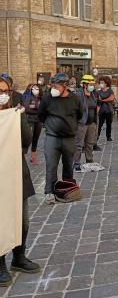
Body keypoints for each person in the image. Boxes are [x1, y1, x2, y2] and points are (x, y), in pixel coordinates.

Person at [0, 77, 40, 287]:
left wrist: (20, 119)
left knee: (22, 220)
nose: (3, 94)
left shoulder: (13, 113)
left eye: (6, 90)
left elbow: (26, 141)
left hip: (16, 174)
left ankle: (19, 257)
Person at [38, 73, 83, 204]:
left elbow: (79, 115)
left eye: (56, 86)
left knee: (68, 165)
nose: (54, 88)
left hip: (69, 139)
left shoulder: (75, 99)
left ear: (65, 86)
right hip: (52, 138)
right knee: (51, 166)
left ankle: (68, 190)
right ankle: (49, 192)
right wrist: (51, 125)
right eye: (53, 85)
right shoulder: (47, 99)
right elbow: (41, 115)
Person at [73, 75, 99, 171]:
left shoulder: (93, 94)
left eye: (93, 84)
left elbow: (96, 105)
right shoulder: (78, 94)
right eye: (90, 84)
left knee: (90, 143)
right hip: (82, 123)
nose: (92, 86)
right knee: (79, 144)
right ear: (84, 85)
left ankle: (89, 159)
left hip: (92, 122)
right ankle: (76, 162)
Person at [23, 83, 42, 165]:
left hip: (39, 120)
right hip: (30, 119)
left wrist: (35, 106)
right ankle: (23, 154)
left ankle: (33, 158)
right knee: (28, 137)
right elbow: (27, 108)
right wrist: (36, 107)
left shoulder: (41, 98)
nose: (35, 90)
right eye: (33, 88)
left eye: (37, 89)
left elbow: (43, 108)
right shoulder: (28, 96)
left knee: (36, 139)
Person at [97, 76, 115, 142]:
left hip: (109, 110)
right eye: (100, 83)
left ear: (106, 83)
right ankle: (97, 136)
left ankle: (108, 136)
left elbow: (112, 98)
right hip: (101, 111)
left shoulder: (110, 90)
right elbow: (97, 99)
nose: (101, 84)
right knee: (99, 125)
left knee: (109, 124)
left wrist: (103, 100)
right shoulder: (98, 92)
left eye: (102, 82)